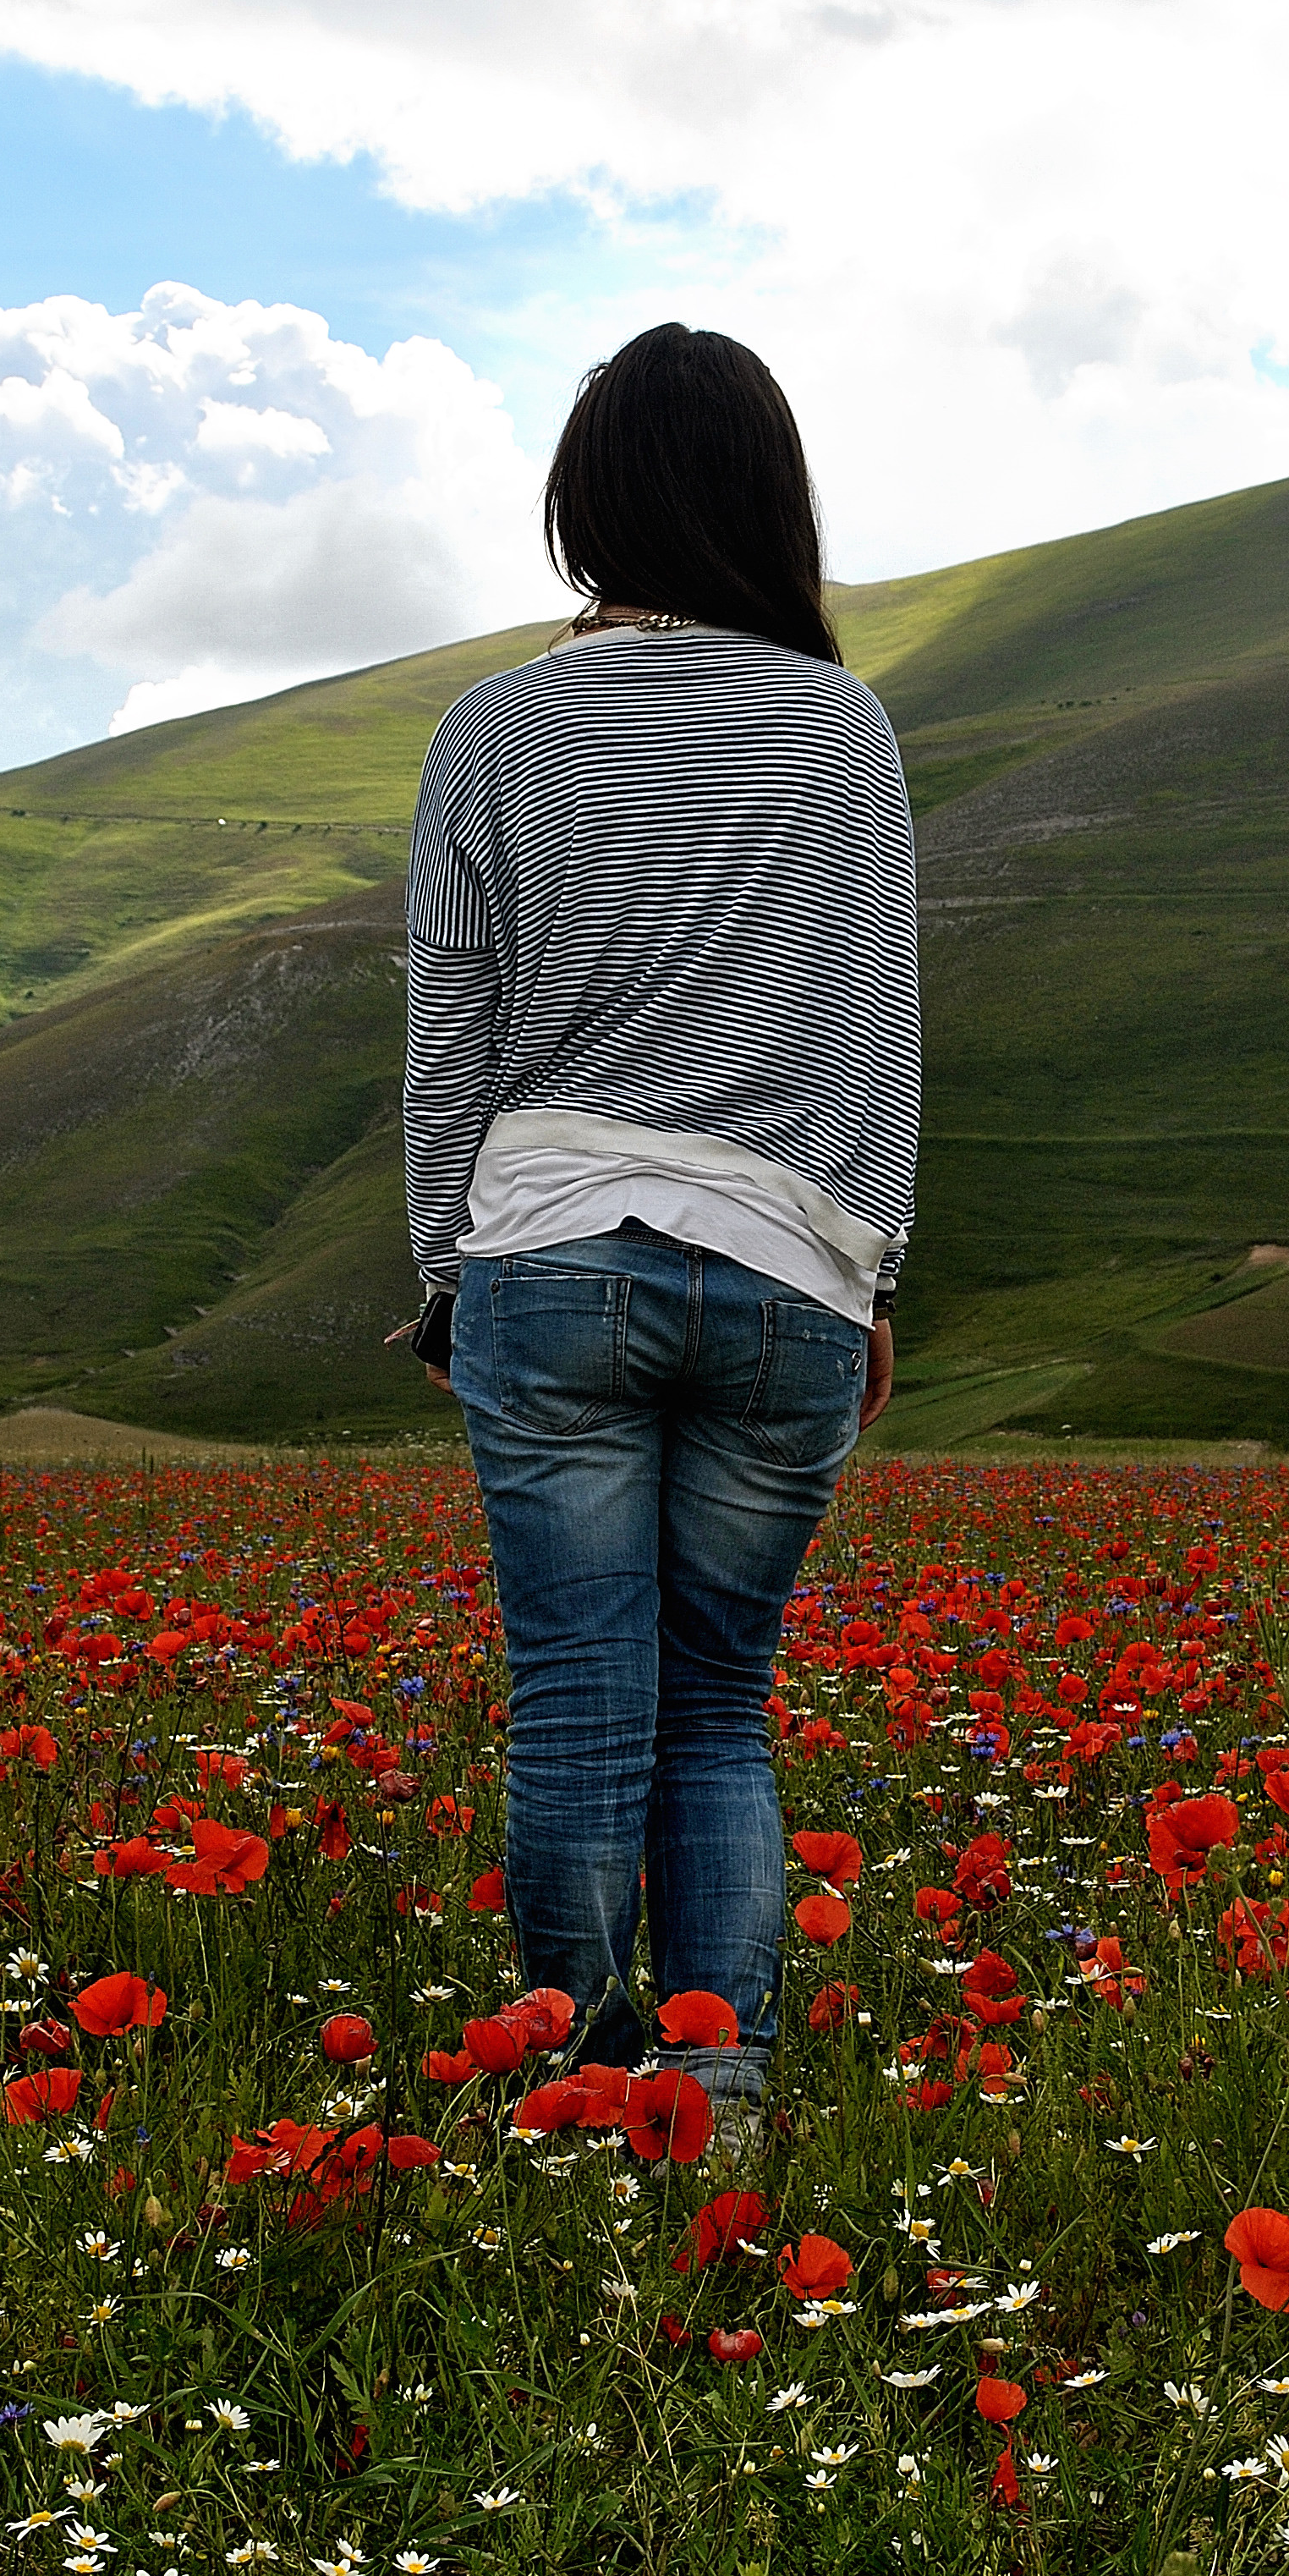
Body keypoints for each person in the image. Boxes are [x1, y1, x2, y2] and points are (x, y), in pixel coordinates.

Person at [399, 321, 920, 2131]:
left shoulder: (497, 727)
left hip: (550, 1254)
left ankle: (574, 2091)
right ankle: (717, 2104)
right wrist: (870, 1281)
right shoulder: (846, 728)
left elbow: (448, 1024)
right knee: (719, 1700)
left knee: (576, 1703)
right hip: (788, 1265)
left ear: (585, 498)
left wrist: (443, 1272)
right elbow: (876, 1022)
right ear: (775, 502)